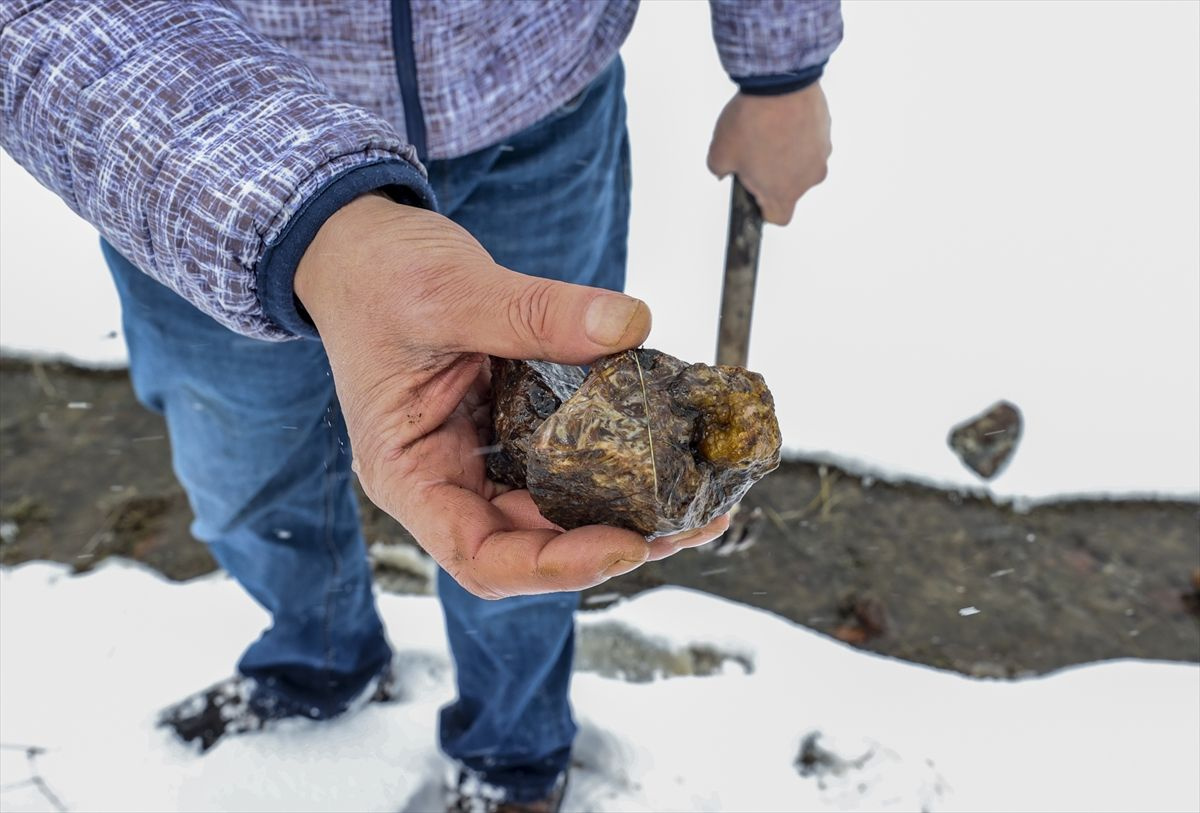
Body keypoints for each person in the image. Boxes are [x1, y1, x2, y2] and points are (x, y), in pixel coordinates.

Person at [1, 1, 841, 810]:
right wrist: (293, 203)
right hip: (204, 148)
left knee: (535, 514)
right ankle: (319, 661)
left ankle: (513, 750)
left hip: (536, 112)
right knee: (244, 470)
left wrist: (781, 65)